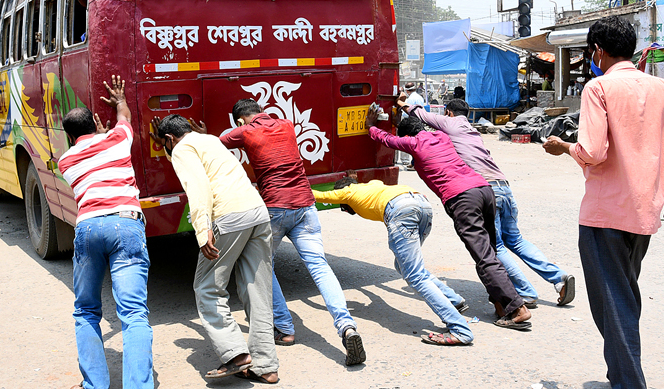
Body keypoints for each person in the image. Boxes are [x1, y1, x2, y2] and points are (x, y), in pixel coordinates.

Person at [543, 16, 664, 389]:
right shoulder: (663, 90)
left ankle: (628, 382)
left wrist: (564, 148)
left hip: (604, 214)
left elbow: (592, 152)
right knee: (624, 297)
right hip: (646, 213)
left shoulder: (598, 88)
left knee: (613, 304)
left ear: (598, 51)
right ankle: (620, 375)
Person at [209, 99, 365, 366]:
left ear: (240, 119)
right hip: (305, 205)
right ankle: (346, 326)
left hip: (274, 208)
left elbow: (216, 143)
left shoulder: (244, 131)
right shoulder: (287, 124)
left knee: (263, 267)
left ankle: (284, 327)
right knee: (319, 266)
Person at [363, 106, 532, 330]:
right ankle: (501, 305)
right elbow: (413, 131)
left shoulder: (413, 143)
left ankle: (517, 307)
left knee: (484, 257)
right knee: (489, 252)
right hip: (483, 189)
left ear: (407, 135)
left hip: (462, 198)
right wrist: (400, 120)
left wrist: (370, 126)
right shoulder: (441, 136)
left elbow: (386, 139)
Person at [403, 95, 576, 309]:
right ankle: (559, 278)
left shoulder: (451, 123)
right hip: (504, 185)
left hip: (486, 188)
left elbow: (419, 114)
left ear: (448, 112)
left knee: (496, 246)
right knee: (516, 240)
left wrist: (402, 103)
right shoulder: (474, 132)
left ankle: (525, 291)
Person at [152, 114, 280, 384]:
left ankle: (235, 354)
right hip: (257, 213)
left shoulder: (182, 150)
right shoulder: (208, 140)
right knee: (257, 290)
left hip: (228, 217)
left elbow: (197, 187)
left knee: (207, 288)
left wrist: (202, 231)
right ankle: (266, 366)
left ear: (169, 139)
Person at [58, 76, 152, 389]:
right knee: (134, 313)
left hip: (88, 227)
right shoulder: (117, 140)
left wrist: (97, 136)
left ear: (70, 136)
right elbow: (125, 117)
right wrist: (120, 99)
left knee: (85, 310)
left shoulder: (66, 161)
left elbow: (91, 159)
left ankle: (94, 385)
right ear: (94, 127)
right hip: (125, 223)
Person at [314, 176, 474, 346]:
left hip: (401, 211)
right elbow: (376, 299)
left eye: (343, 208)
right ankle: (453, 300)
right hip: (422, 204)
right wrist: (368, 292)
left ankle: (460, 330)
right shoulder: (372, 184)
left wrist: (283, 185)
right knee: (406, 267)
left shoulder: (347, 193)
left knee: (415, 276)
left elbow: (316, 195)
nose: (344, 210)